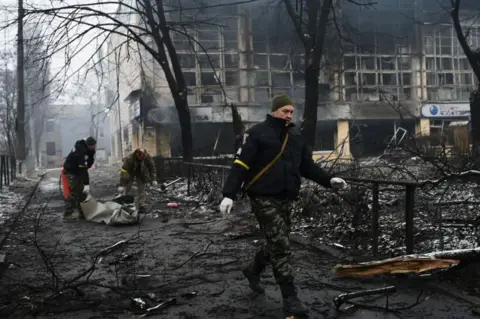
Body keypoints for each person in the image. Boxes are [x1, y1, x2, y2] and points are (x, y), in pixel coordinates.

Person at [219, 93, 348, 316]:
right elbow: (240, 164)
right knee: (280, 244)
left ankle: (252, 270)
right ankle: (291, 298)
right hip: (262, 196)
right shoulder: (257, 133)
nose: (289, 115)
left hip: (286, 197)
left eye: (291, 111)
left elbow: (306, 166)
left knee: (277, 241)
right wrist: (228, 194)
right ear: (274, 111)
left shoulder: (296, 135)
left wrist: (328, 180)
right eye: (284, 111)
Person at [63, 136, 97, 220]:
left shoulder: (88, 150)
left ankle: (82, 213)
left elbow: (88, 164)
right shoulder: (81, 152)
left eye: (94, 146)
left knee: (82, 192)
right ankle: (67, 214)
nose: (94, 147)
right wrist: (86, 184)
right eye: (92, 146)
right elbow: (83, 169)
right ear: (88, 145)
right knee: (74, 192)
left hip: (78, 171)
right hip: (71, 171)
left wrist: (91, 155)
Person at [117, 148, 158, 214]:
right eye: (141, 157)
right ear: (136, 154)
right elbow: (124, 171)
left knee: (142, 188)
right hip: (130, 172)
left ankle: (141, 205)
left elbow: (152, 167)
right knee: (127, 187)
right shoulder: (129, 159)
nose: (142, 159)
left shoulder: (147, 157)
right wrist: (122, 184)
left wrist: (153, 179)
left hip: (141, 173)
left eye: (143, 157)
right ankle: (127, 204)